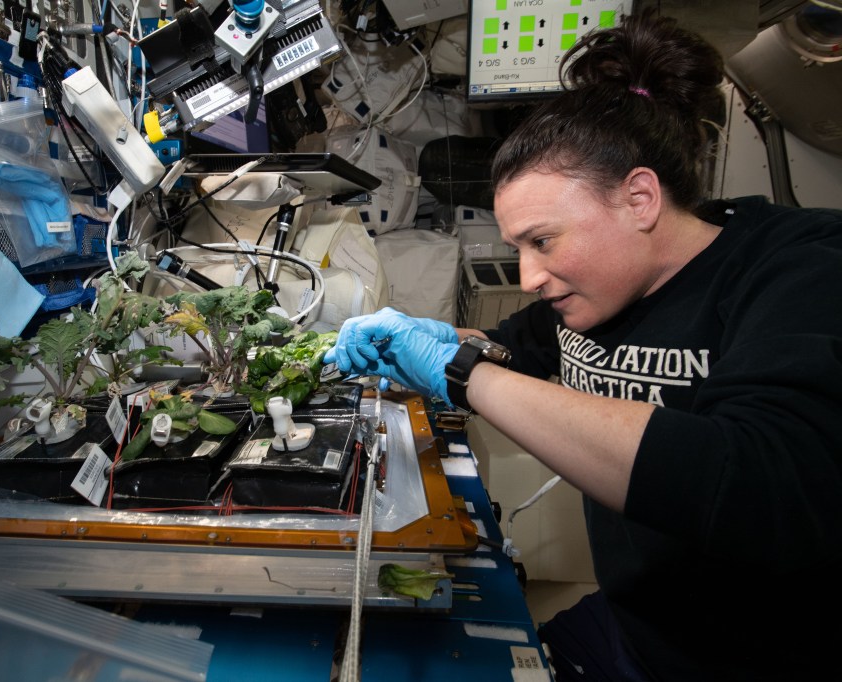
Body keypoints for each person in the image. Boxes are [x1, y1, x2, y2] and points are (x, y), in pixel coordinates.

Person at [323, 10, 842, 682]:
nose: (531, 277)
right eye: (518, 250)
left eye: (543, 241)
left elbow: (755, 480)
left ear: (639, 198)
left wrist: (459, 369)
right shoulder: (594, 296)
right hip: (634, 626)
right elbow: (516, 352)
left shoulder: (801, 270)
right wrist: (428, 338)